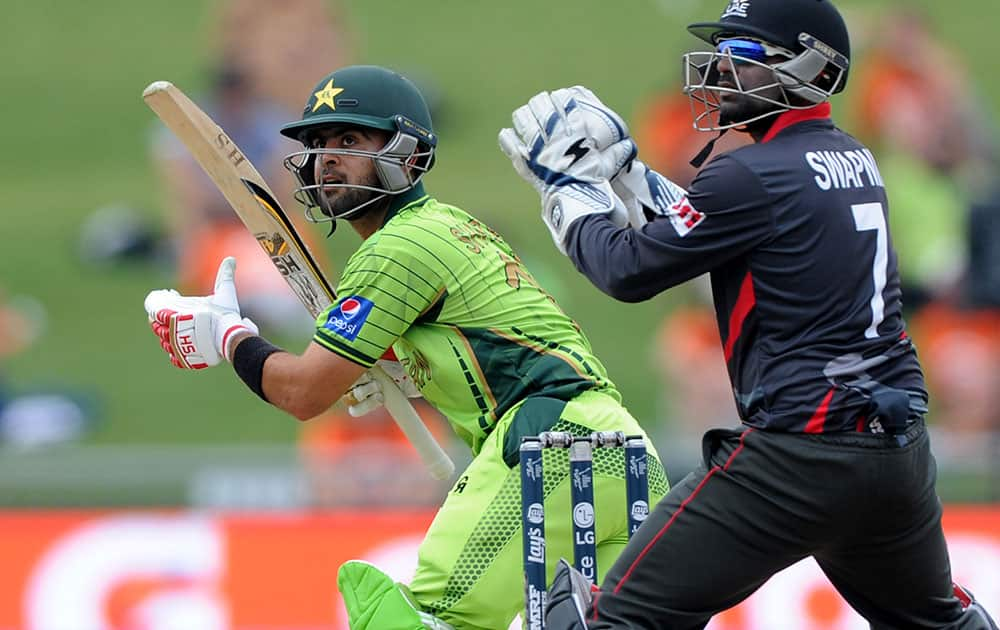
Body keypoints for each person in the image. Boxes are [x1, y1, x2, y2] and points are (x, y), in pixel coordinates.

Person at [498, 0, 999, 628]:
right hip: (894, 453)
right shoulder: (853, 158)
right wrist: (629, 178)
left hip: (800, 459)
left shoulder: (749, 174)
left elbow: (626, 270)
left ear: (811, 69)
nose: (721, 70)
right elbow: (732, 225)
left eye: (745, 56)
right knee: (941, 625)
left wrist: (566, 192)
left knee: (608, 620)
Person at [141, 65, 669, 630]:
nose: (327, 158)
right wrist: (397, 368)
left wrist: (231, 335)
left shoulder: (396, 249)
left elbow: (301, 392)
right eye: (318, 145)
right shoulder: (449, 225)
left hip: (545, 449)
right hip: (626, 455)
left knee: (411, 621)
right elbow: (492, 344)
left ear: (408, 154)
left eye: (349, 140)